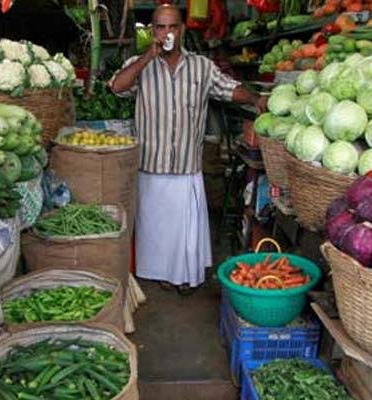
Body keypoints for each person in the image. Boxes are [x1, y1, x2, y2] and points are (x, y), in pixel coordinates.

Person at [110, 4, 267, 294]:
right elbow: (117, 86)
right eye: (160, 27)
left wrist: (256, 99)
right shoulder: (140, 63)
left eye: (172, 27)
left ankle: (184, 276)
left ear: (181, 30)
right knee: (156, 230)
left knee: (183, 232)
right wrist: (148, 56)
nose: (167, 33)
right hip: (151, 164)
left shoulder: (201, 66)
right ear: (153, 31)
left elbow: (229, 88)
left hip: (185, 165)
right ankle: (161, 274)